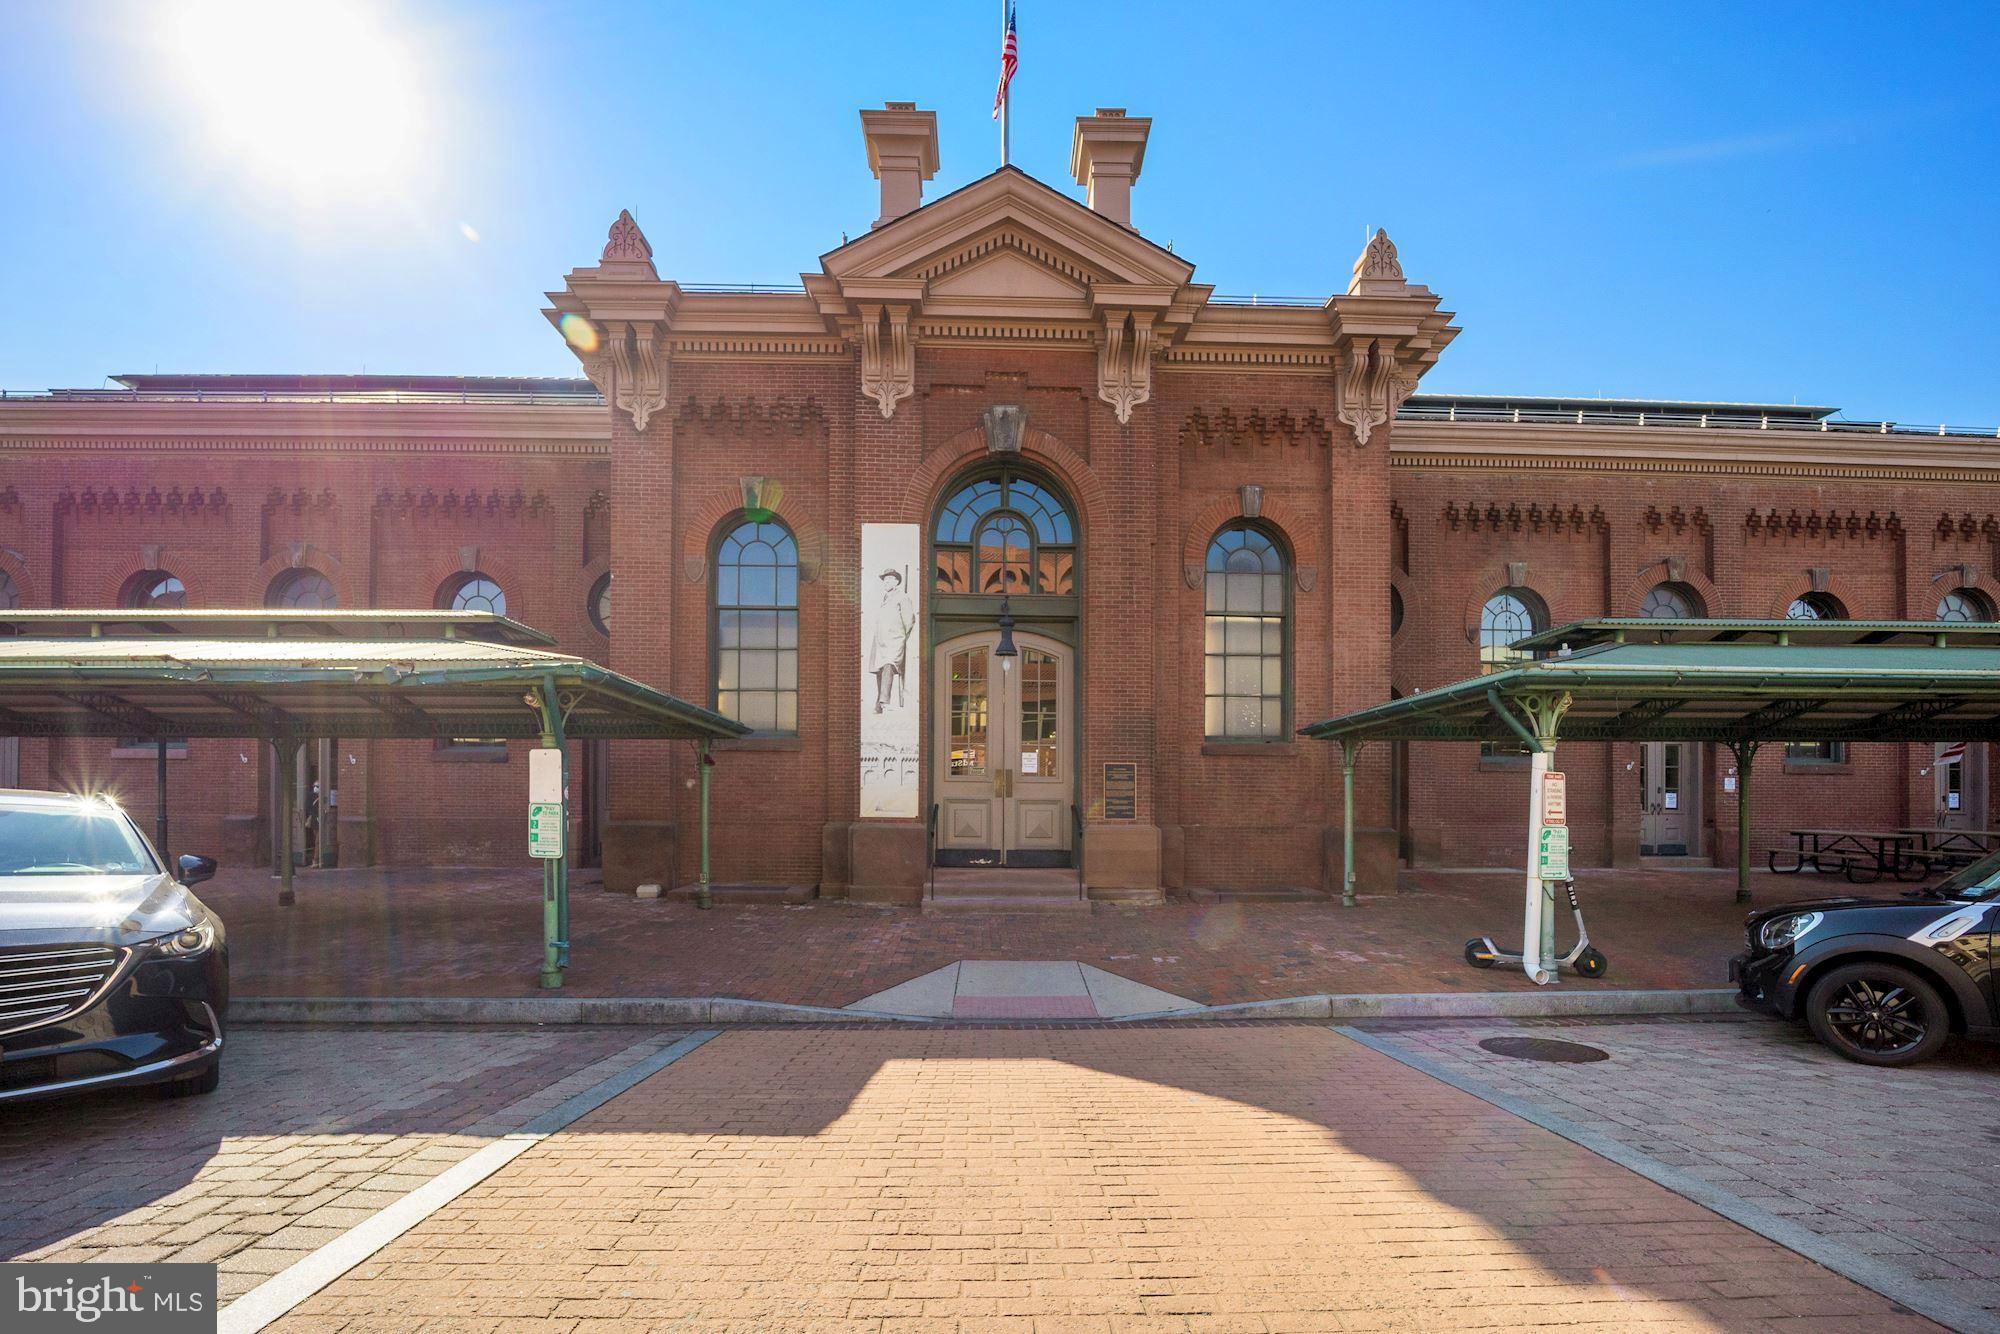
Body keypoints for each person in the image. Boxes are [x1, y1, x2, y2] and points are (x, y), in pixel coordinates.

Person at [869, 568, 916, 714]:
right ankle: (879, 704)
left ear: (896, 582)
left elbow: (909, 620)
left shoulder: (902, 597)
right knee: (879, 669)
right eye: (885, 579)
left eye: (889, 579)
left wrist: (901, 636)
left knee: (889, 665)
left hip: (894, 640)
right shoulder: (884, 599)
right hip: (880, 641)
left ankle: (885, 702)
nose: (886, 582)